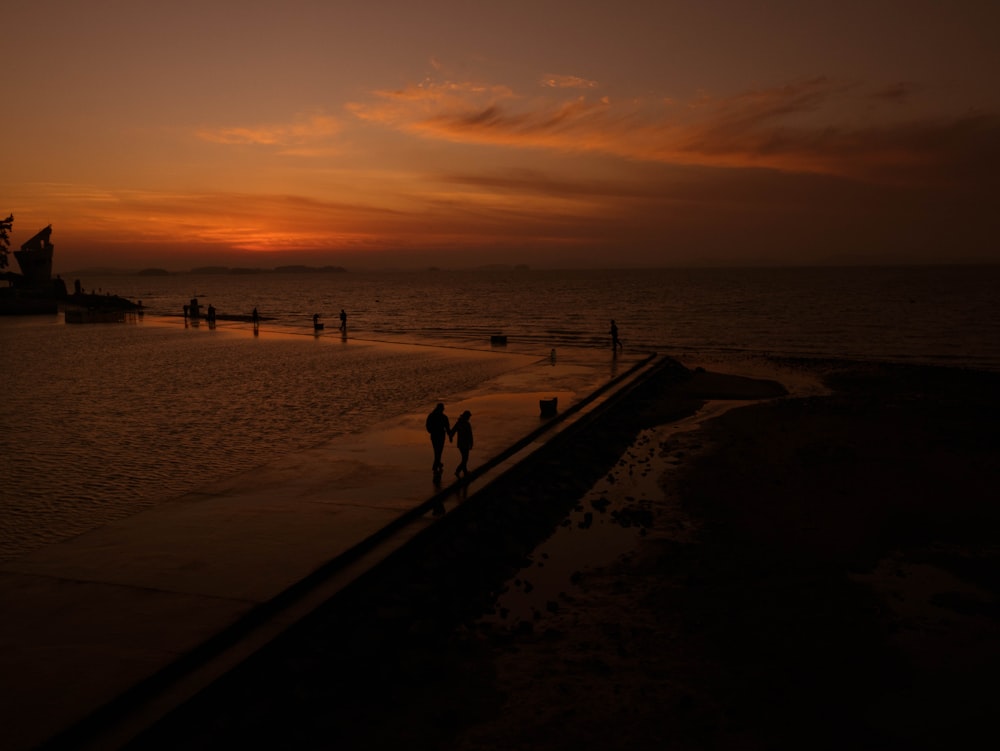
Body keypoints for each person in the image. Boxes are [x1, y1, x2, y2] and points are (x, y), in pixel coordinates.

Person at [425, 403, 452, 473]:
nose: (443, 410)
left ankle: (438, 464)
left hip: (434, 436)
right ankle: (435, 465)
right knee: (439, 451)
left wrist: (430, 431)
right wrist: (450, 436)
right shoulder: (444, 417)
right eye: (443, 408)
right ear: (441, 409)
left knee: (437, 451)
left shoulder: (431, 416)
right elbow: (447, 428)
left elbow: (428, 425)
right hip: (440, 436)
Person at [450, 410, 474, 478]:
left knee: (464, 458)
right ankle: (458, 470)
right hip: (465, 444)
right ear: (467, 416)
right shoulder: (467, 424)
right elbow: (470, 435)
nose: (469, 418)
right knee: (465, 459)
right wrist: (471, 443)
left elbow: (453, 431)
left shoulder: (459, 423)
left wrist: (451, 437)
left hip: (460, 444)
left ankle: (464, 471)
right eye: (469, 416)